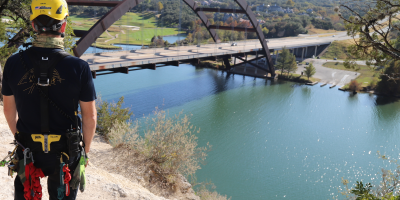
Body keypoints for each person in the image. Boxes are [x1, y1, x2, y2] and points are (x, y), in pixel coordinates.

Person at [2, 0, 97, 199]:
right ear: (63, 25)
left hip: (28, 149)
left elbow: (9, 111)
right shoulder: (79, 67)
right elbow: (90, 118)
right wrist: (85, 153)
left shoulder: (13, 63)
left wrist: (21, 139)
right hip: (65, 153)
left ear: (34, 25)